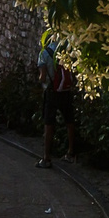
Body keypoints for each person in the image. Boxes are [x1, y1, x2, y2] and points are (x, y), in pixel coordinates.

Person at [36, 32, 77, 169]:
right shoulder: (66, 50)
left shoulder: (44, 54)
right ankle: (71, 153)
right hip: (66, 91)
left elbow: (42, 77)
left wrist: (40, 81)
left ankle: (46, 158)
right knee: (69, 120)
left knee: (49, 123)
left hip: (52, 91)